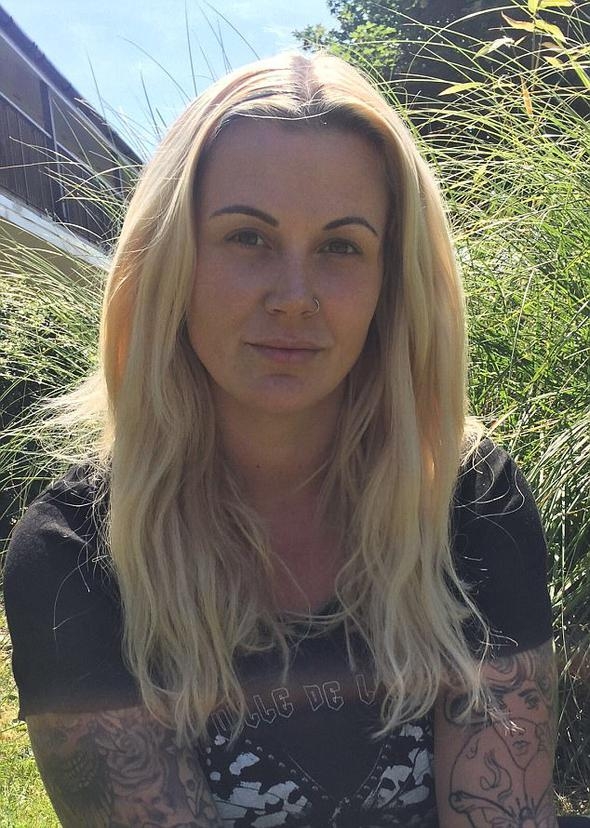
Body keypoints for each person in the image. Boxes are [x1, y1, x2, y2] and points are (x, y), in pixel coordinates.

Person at [3, 50, 576, 828]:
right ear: (171, 262)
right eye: (248, 237)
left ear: (390, 282)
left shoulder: (469, 498)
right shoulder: (74, 554)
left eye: (341, 247)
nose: (295, 298)